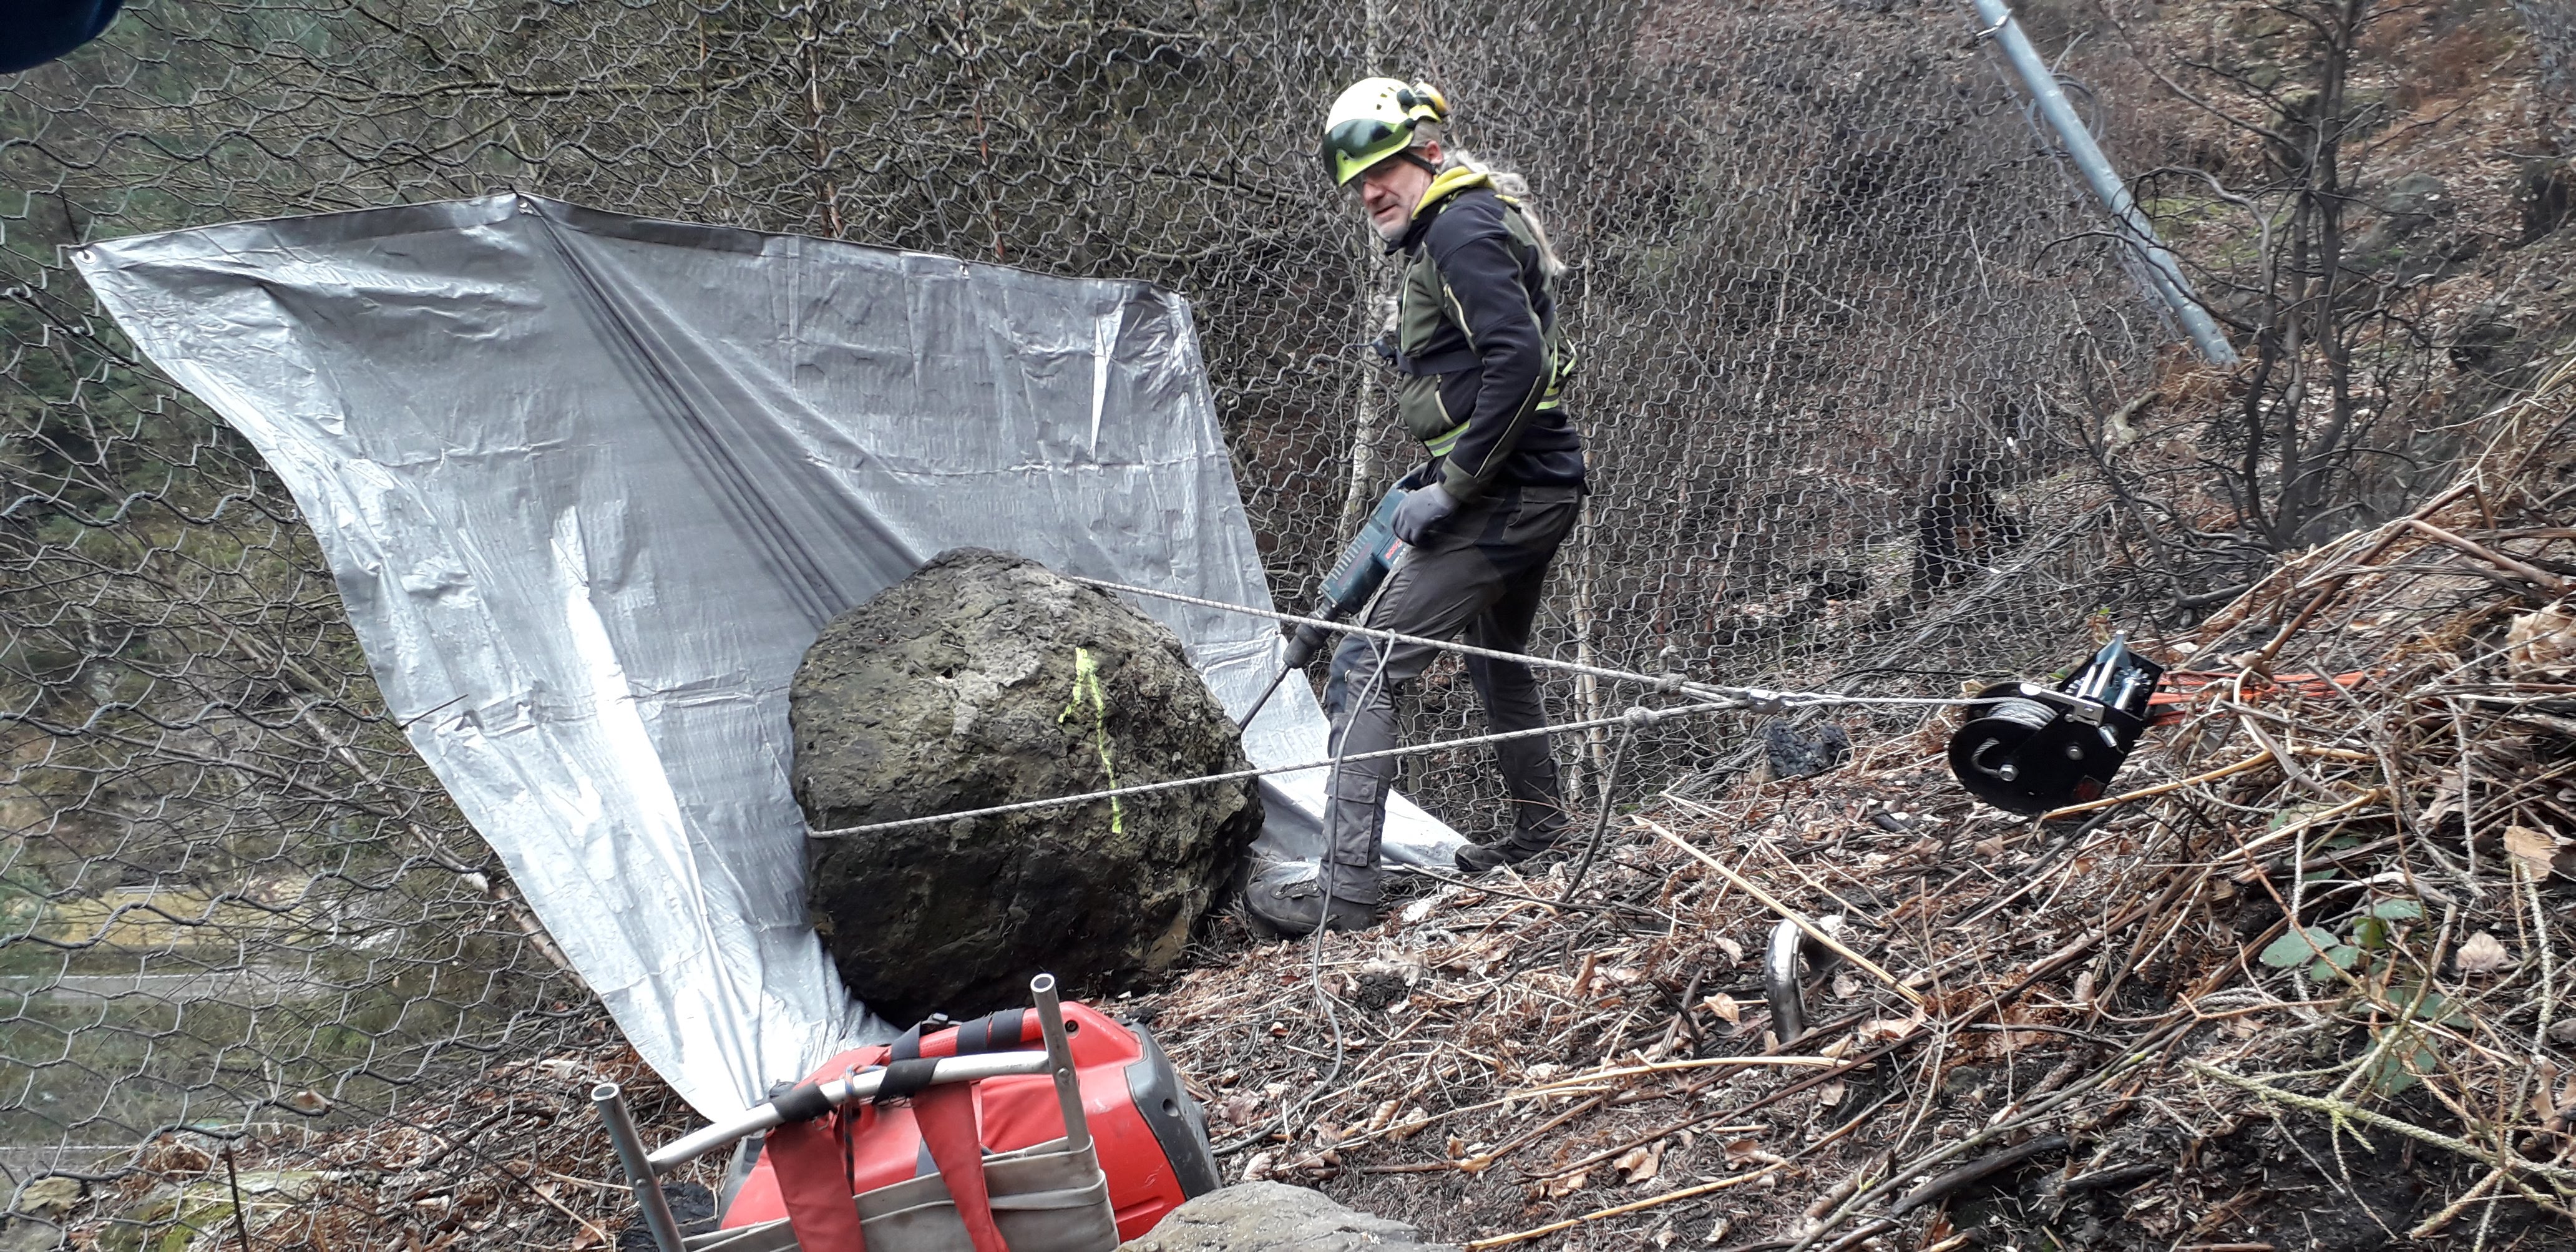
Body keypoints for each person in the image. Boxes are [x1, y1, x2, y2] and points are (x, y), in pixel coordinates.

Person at [1245, 77, 1586, 937]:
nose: (1369, 194)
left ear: (1428, 152)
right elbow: (1491, 367)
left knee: (1364, 664)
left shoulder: (1462, 227)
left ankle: (1347, 888)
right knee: (1495, 661)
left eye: (1380, 171)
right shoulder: (1462, 227)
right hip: (1534, 484)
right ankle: (1544, 830)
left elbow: (1519, 363)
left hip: (1507, 493)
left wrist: (1454, 484)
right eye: (1356, 184)